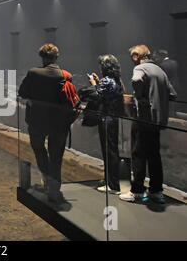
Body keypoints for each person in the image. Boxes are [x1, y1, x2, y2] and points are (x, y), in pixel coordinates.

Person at [119, 45, 177, 204]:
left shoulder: (140, 68)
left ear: (137, 56)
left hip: (143, 119)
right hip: (157, 120)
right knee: (154, 156)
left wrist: (142, 99)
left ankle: (137, 191)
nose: (132, 60)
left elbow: (136, 80)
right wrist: (157, 99)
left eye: (132, 56)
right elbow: (172, 94)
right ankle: (156, 191)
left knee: (138, 154)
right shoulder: (160, 71)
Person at [18, 43, 72, 204]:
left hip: (37, 121)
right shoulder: (65, 75)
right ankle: (54, 190)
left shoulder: (34, 73)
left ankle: (46, 180)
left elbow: (22, 93)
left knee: (39, 149)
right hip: (59, 123)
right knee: (56, 156)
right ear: (56, 57)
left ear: (42, 57)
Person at [80, 55, 125, 195]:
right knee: (112, 151)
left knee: (108, 151)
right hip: (114, 118)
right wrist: (99, 82)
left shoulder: (107, 80)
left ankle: (112, 185)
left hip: (106, 118)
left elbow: (98, 95)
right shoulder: (117, 80)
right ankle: (110, 181)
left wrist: (93, 83)